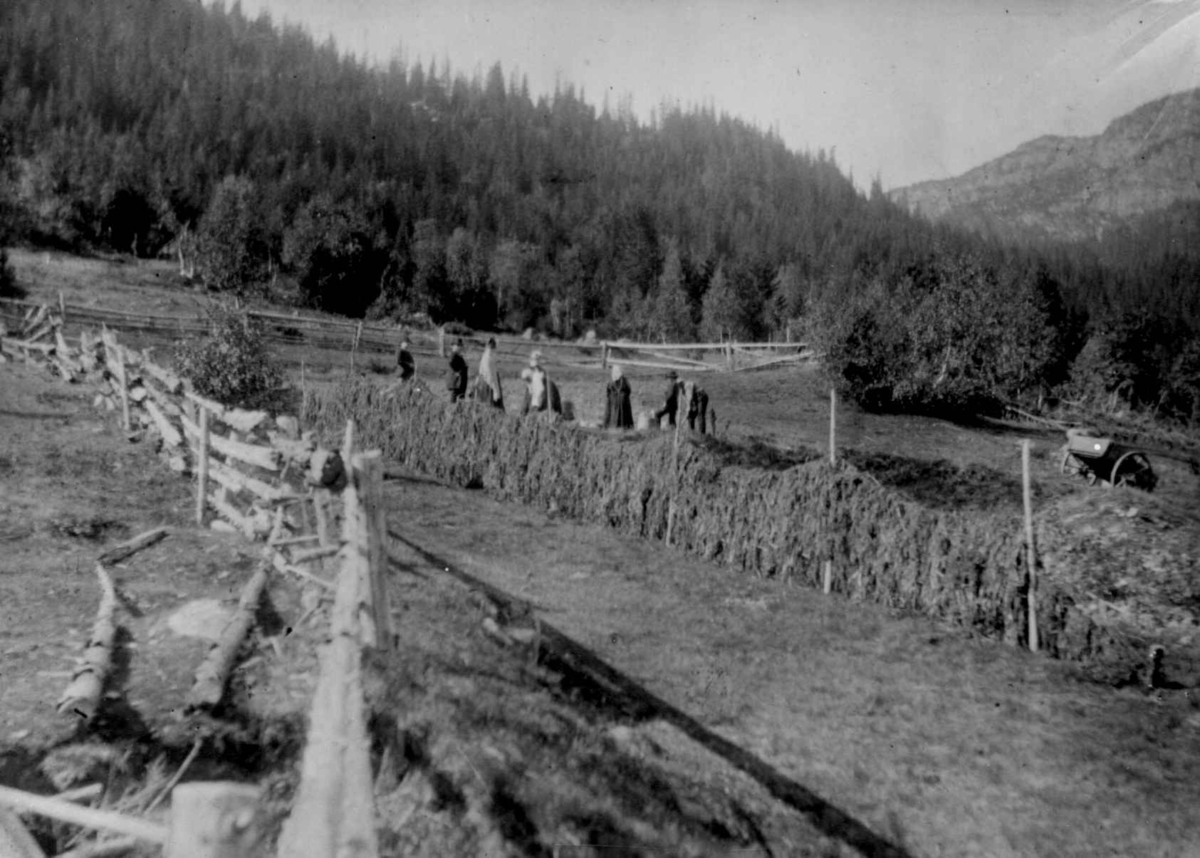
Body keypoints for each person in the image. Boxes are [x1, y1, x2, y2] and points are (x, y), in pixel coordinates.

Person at [473, 337, 505, 409]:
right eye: (496, 347)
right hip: (487, 385)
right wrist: (496, 391)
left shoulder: (490, 357)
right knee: (489, 406)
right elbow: (489, 376)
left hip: (488, 383)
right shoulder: (487, 358)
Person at [604, 364, 634, 429]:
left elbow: (608, 391)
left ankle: (613, 427)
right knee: (622, 414)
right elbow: (629, 390)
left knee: (614, 414)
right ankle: (623, 427)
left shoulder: (611, 381)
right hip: (623, 400)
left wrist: (612, 396)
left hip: (613, 400)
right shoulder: (624, 380)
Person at [446, 337, 468, 402]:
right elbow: (451, 362)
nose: (459, 347)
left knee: (459, 397)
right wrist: (457, 371)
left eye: (460, 345)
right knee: (454, 396)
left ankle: (458, 409)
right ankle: (452, 409)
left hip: (459, 382)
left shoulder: (459, 356)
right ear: (452, 346)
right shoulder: (453, 354)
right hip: (455, 381)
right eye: (457, 345)